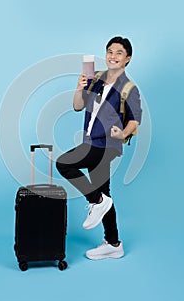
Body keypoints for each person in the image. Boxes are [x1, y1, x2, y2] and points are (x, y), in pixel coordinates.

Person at [56, 36, 142, 260]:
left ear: (127, 59)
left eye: (119, 53)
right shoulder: (96, 80)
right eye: (110, 52)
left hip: (107, 144)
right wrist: (78, 88)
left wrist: (123, 133)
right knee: (105, 193)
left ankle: (97, 201)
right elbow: (77, 106)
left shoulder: (129, 89)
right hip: (89, 141)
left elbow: (135, 121)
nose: (113, 56)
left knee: (63, 163)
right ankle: (113, 243)